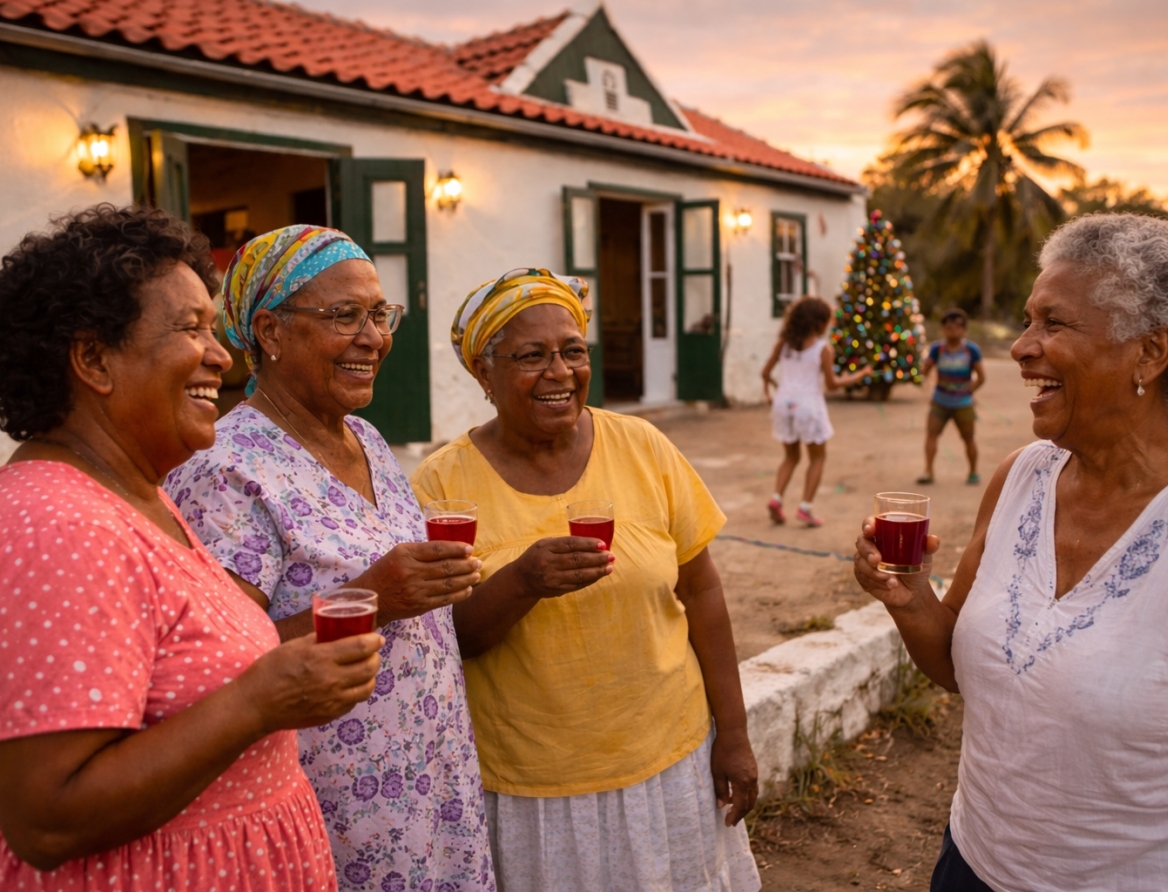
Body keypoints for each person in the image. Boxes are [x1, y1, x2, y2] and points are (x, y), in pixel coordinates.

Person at [0, 205, 383, 890]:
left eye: (213, 326)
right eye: (189, 328)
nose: (222, 355)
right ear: (93, 358)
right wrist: (256, 702)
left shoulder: (138, 494)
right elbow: (47, 815)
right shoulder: (60, 523)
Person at [854, 213, 1168, 892]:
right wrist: (911, 598)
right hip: (972, 863)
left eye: (1053, 324)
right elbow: (960, 670)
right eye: (1026, 320)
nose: (1019, 347)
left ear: (1150, 353)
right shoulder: (1022, 476)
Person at [166, 225, 494, 892]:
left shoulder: (367, 439)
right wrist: (376, 596)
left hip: (435, 781)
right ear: (271, 332)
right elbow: (219, 668)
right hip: (339, 805)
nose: (373, 336)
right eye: (345, 315)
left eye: (379, 313)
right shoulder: (226, 468)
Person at [412, 268, 761, 891]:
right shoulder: (441, 484)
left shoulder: (643, 447)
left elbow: (701, 590)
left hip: (668, 758)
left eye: (573, 351)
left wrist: (732, 735)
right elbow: (447, 640)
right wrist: (521, 582)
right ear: (483, 374)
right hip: (533, 782)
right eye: (530, 356)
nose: (560, 372)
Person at [761, 296, 870, 526]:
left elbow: (765, 372)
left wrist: (774, 392)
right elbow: (831, 384)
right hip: (808, 406)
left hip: (784, 404)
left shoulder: (783, 345)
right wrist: (858, 376)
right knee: (818, 458)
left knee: (790, 457)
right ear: (819, 322)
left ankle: (776, 498)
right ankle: (805, 507)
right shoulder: (822, 349)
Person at [918, 308, 985, 485]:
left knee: (968, 437)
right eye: (948, 327)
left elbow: (981, 377)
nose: (952, 331)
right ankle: (928, 471)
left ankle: (973, 471)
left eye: (956, 327)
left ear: (964, 330)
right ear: (943, 329)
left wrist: (969, 390)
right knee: (931, 434)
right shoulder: (936, 349)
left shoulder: (971, 350)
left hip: (963, 403)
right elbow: (925, 371)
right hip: (940, 401)